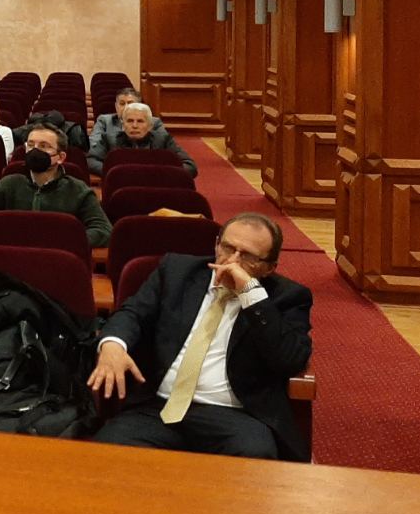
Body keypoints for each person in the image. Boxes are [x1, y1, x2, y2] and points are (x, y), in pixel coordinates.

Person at [89, 213, 313, 460]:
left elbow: (290, 359)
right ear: (216, 244)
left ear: (269, 267)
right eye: (228, 248)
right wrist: (112, 345)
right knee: (104, 453)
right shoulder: (177, 272)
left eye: (248, 256)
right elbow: (133, 313)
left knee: (255, 459)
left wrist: (250, 294)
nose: (233, 261)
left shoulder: (288, 297)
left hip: (234, 416)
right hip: (158, 407)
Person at [0, 123, 111, 247]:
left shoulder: (78, 190)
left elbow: (103, 231)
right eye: (31, 144)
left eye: (44, 146)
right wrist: (11, 234)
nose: (35, 150)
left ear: (60, 157)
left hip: (56, 261)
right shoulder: (8, 184)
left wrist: (60, 240)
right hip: (12, 257)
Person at [89, 101, 197, 178]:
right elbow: (90, 161)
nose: (134, 125)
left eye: (140, 121)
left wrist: (161, 175)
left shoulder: (163, 140)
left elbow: (190, 166)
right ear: (123, 125)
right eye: (130, 121)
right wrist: (116, 173)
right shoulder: (109, 139)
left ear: (150, 126)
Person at [90, 87, 168, 164]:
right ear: (116, 106)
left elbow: (165, 144)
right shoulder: (104, 120)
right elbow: (94, 144)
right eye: (122, 104)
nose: (126, 107)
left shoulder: (154, 122)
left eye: (130, 103)